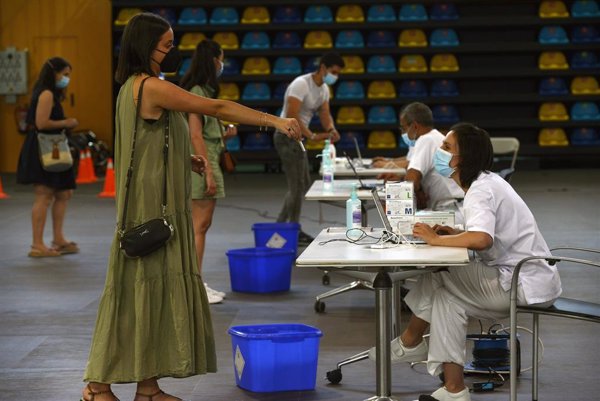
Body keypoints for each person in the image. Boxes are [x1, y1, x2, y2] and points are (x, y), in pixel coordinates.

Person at [81, 13, 300, 401]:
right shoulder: (149, 87)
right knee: (136, 291)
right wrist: (275, 121)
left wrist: (185, 159)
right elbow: (215, 107)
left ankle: (148, 387)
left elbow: (143, 141)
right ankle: (97, 386)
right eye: (166, 45)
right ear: (146, 47)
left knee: (154, 290)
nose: (172, 52)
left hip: (157, 199)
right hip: (150, 206)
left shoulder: (133, 88)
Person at [370, 122, 562, 401]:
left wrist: (437, 241)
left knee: (438, 272)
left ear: (464, 159)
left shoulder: (480, 190)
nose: (440, 151)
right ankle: (454, 389)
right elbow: (484, 234)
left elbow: (483, 239)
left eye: (447, 147)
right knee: (448, 301)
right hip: (525, 279)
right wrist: (457, 234)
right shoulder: (487, 182)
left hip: (521, 284)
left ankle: (410, 341)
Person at [180, 39, 236, 304]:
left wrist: (224, 133)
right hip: (203, 162)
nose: (222, 64)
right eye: (221, 58)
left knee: (202, 225)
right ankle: (194, 285)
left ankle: (196, 281)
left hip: (209, 156)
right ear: (214, 60)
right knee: (198, 226)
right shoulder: (197, 92)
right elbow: (195, 135)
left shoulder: (202, 90)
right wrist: (209, 173)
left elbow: (206, 132)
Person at [274, 52, 344, 245]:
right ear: (322, 68)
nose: (335, 76)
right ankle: (291, 228)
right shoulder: (301, 84)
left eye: (338, 73)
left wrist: (331, 129)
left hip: (298, 139)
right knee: (296, 188)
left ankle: (281, 227)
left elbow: (324, 114)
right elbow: (291, 115)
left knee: (302, 184)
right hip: (286, 136)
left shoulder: (324, 90)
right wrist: (312, 136)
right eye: (333, 72)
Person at [16, 57, 80, 258]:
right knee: (44, 195)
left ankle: (58, 238)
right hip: (43, 148)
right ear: (54, 73)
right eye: (65, 74)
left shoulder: (53, 93)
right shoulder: (46, 94)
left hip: (55, 147)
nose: (67, 79)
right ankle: (37, 244)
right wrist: (67, 122)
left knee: (63, 193)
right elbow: (41, 123)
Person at [379, 102, 463, 210]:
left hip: (448, 209)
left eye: (404, 129)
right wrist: (400, 179)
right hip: (453, 205)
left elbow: (411, 180)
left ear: (414, 126)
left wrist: (392, 200)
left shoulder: (426, 140)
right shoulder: (435, 137)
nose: (403, 133)